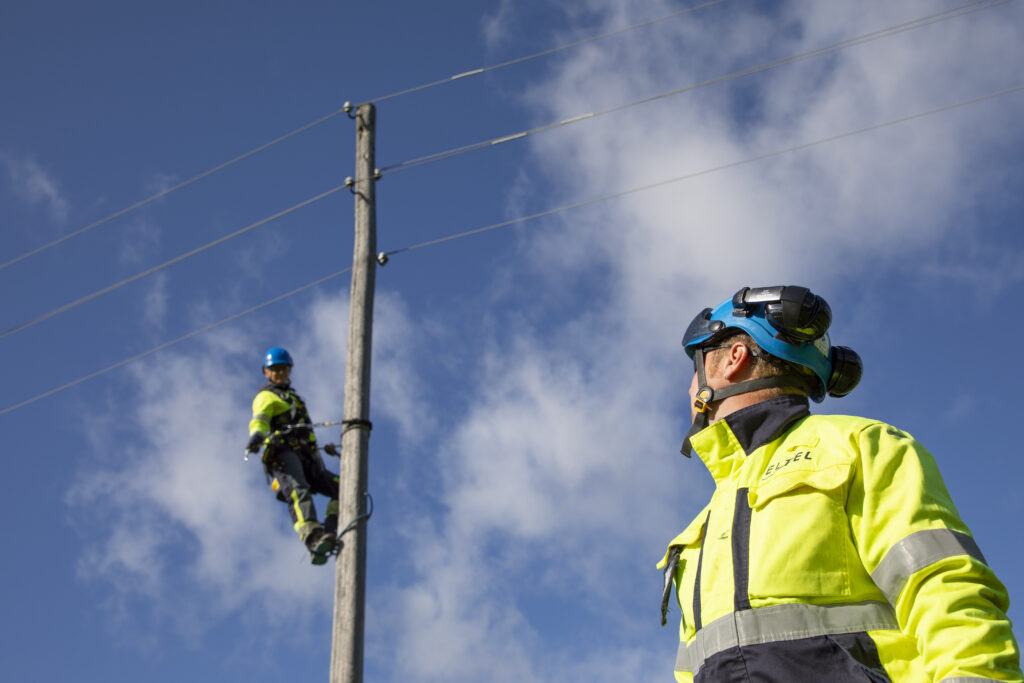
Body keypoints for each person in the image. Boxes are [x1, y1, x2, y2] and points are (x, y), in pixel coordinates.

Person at [658, 286, 1022, 682]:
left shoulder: (858, 446)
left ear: (733, 359)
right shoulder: (699, 531)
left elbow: (944, 588)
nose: (689, 388)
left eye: (696, 366)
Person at [246, 347, 339, 566]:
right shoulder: (266, 397)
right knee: (299, 491)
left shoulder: (293, 398)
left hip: (307, 457)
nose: (280, 373)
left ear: (289, 370)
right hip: (283, 452)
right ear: (266, 372)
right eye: (275, 369)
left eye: (283, 369)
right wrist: (257, 435)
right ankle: (313, 538)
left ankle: (332, 527)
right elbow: (260, 419)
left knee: (345, 489)